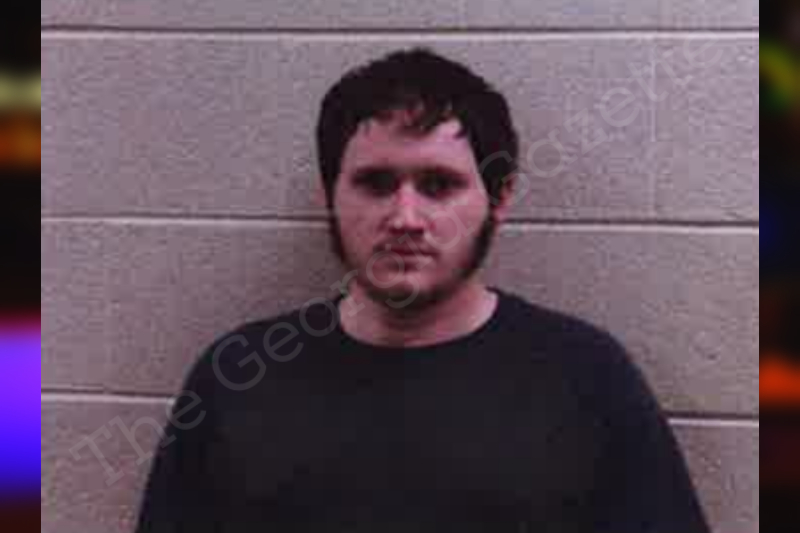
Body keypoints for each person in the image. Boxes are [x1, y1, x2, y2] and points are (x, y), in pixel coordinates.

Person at [135, 48, 709, 532]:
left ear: (499, 199)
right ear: (328, 195)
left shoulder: (588, 378)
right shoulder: (238, 375)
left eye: (439, 185)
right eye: (375, 183)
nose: (405, 218)